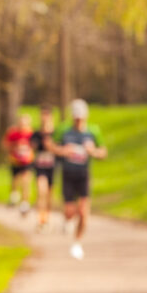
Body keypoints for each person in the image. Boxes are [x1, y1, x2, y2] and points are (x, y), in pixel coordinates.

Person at [54, 98, 107, 259]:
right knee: (70, 212)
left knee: (83, 212)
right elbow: (51, 146)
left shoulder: (93, 131)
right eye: (76, 117)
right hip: (68, 175)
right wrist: (63, 151)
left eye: (81, 117)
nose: (78, 121)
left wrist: (93, 152)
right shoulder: (64, 130)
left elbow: (103, 152)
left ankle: (77, 243)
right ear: (72, 116)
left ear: (86, 116)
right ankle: (67, 219)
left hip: (83, 176)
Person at [29, 106, 57, 231]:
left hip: (52, 166)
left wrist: (51, 145)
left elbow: (59, 149)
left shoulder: (56, 133)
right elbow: (31, 147)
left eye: (47, 115)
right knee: (41, 191)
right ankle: (40, 220)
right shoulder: (36, 134)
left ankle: (47, 218)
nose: (44, 118)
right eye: (42, 115)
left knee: (49, 195)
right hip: (40, 166)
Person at [3, 113, 35, 215]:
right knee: (15, 181)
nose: (22, 125)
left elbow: (35, 145)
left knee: (26, 181)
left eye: (25, 123)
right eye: (21, 123)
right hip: (15, 160)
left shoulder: (31, 133)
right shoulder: (13, 133)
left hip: (27, 161)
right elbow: (6, 144)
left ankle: (25, 203)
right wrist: (14, 148)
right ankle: (14, 196)